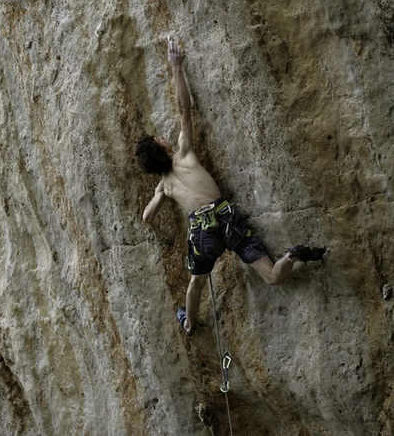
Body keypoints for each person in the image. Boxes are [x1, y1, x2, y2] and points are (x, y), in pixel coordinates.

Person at [135, 38, 325, 336]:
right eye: (160, 139)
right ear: (164, 150)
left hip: (202, 233)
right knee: (273, 277)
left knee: (196, 283)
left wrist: (157, 198)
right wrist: (176, 67)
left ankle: (190, 323)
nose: (163, 136)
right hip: (227, 219)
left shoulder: (164, 186)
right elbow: (185, 108)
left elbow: (147, 218)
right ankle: (290, 257)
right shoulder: (184, 153)